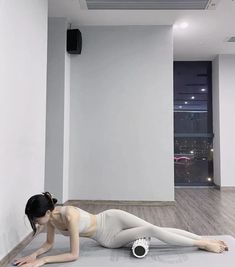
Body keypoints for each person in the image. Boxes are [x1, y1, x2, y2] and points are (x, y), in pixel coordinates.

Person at [14, 192, 228, 266]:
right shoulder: (51, 220)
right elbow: (50, 244)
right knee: (152, 230)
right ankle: (202, 243)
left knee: (156, 227)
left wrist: (44, 260)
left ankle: (202, 239)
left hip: (110, 216)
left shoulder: (68, 215)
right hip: (109, 237)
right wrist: (34, 255)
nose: (37, 223)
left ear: (49, 212)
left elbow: (72, 254)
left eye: (37, 218)